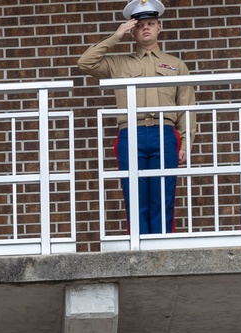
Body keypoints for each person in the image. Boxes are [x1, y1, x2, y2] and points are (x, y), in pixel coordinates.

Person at [77, 0, 196, 236]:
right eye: (140, 25)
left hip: (164, 133)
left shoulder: (175, 65)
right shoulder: (119, 63)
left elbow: (187, 107)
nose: (146, 28)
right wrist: (116, 35)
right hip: (130, 132)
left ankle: (163, 247)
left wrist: (186, 143)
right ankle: (138, 247)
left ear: (159, 28)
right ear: (133, 30)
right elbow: (85, 63)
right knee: (134, 194)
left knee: (163, 194)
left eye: (151, 23)